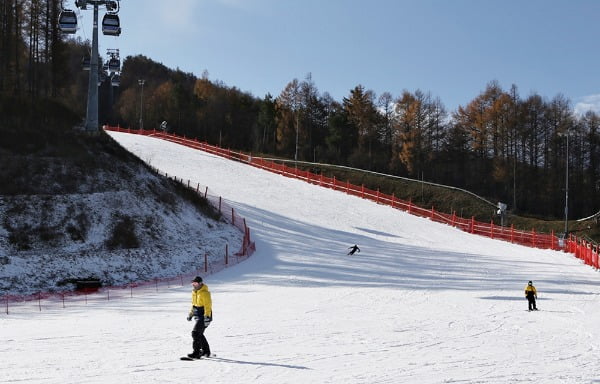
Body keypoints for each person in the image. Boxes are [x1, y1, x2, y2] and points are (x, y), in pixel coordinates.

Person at [186, 276, 212, 358]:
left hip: (204, 315)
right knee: (199, 334)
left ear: (200, 283)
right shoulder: (194, 292)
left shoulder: (205, 293)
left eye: (195, 283)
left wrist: (207, 316)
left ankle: (196, 352)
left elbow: (208, 305)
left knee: (195, 333)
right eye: (193, 283)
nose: (194, 285)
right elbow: (194, 305)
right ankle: (206, 351)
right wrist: (191, 314)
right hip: (197, 315)